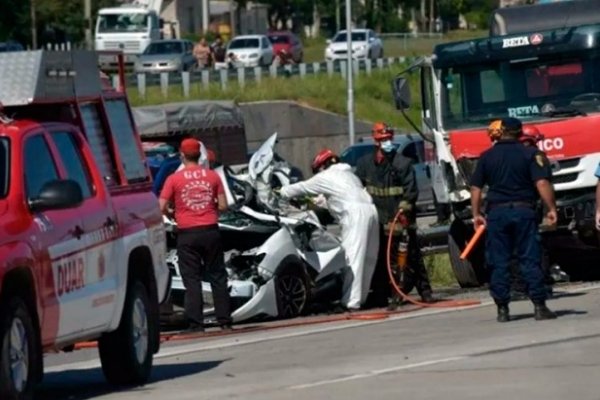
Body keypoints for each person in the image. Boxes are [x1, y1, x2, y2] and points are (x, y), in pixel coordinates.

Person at [470, 118, 557, 322]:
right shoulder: (530, 154)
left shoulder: (486, 157)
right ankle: (539, 306)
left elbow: (475, 188)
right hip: (524, 210)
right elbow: (542, 182)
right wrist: (551, 208)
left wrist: (476, 214)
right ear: (520, 133)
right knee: (530, 257)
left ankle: (502, 309)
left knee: (499, 260)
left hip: (497, 214)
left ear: (501, 132)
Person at [279, 149, 380, 311]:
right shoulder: (349, 176)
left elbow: (302, 187)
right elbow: (334, 200)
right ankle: (360, 299)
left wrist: (280, 192)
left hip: (354, 215)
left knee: (352, 258)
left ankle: (350, 303)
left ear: (321, 166)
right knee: (368, 258)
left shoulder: (326, 176)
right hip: (371, 211)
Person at [356, 122, 435, 307]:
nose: (387, 142)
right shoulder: (365, 164)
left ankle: (425, 292)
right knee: (382, 260)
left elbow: (410, 191)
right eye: (383, 139)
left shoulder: (402, 163)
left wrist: (403, 210)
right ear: (376, 141)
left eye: (389, 138)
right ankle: (384, 294)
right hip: (378, 219)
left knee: (411, 257)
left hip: (401, 218)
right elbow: (358, 189)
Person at [158, 138, 232, 332]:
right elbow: (224, 205)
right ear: (200, 155)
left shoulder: (174, 179)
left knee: (192, 280)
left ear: (182, 155)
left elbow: (161, 206)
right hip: (210, 230)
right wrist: (210, 206)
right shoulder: (213, 176)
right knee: (217, 276)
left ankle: (196, 324)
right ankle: (224, 321)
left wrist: (172, 213)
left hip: (187, 233)